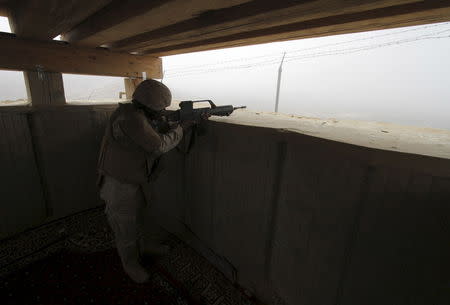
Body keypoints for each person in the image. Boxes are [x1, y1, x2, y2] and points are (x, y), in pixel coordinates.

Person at [97, 79, 195, 283]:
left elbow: (149, 129)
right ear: (147, 107)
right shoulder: (132, 119)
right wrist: (182, 128)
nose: (162, 113)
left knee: (142, 218)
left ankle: (146, 247)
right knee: (125, 230)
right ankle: (130, 265)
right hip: (119, 186)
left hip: (134, 180)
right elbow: (158, 146)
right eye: (160, 109)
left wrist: (166, 125)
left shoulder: (132, 112)